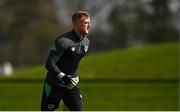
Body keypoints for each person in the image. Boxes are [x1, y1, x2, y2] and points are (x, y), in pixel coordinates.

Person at [40, 11, 91, 111]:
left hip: (70, 85)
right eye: (86, 23)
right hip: (53, 85)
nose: (89, 25)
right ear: (76, 24)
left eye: (89, 22)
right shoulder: (62, 41)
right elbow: (49, 63)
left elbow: (72, 61)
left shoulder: (86, 42)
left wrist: (75, 76)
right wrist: (62, 76)